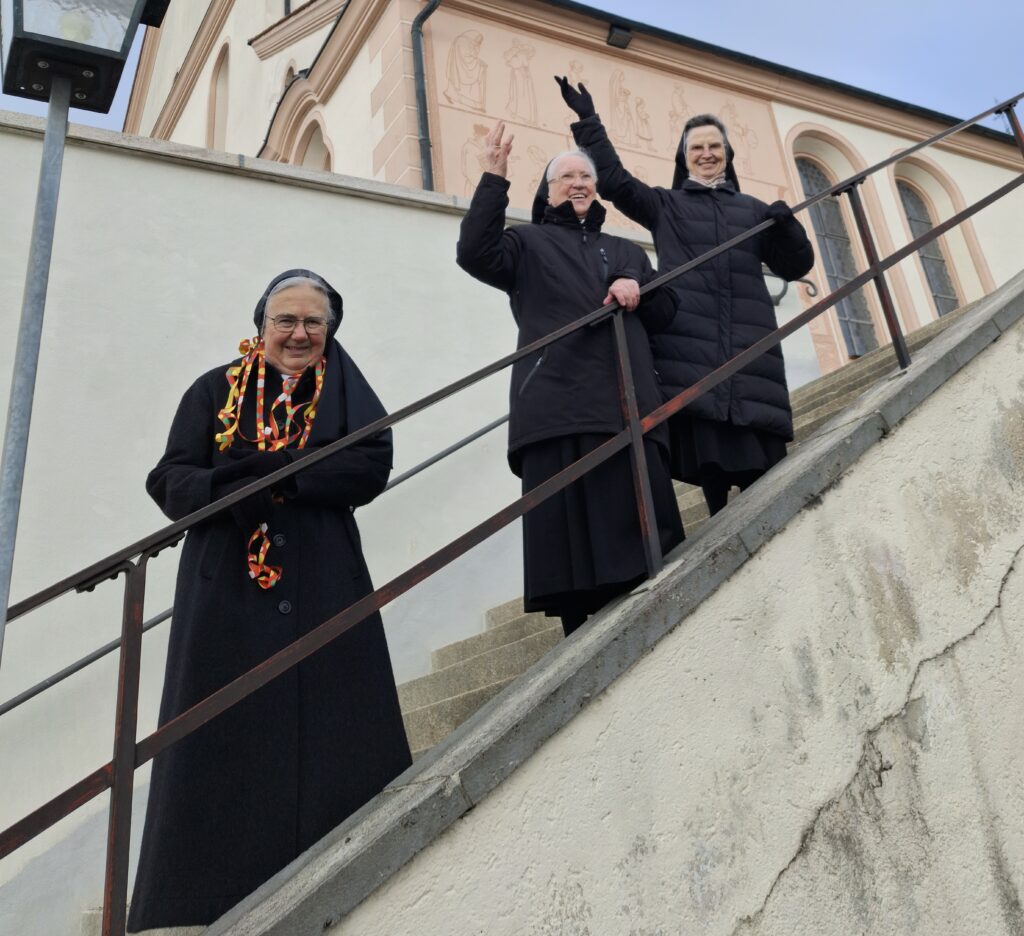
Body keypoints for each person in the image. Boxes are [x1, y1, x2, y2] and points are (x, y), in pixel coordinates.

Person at [127, 270, 412, 933]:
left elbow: (371, 463)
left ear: (330, 331)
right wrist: (231, 487)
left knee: (335, 718)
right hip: (227, 586)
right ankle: (208, 893)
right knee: (225, 727)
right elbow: (169, 477)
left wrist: (286, 477)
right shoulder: (213, 390)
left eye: (313, 322)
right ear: (261, 326)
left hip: (322, 575)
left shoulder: (346, 391)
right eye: (286, 320)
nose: (299, 333)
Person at [456, 122, 684, 636]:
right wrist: (494, 177)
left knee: (643, 538)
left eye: (586, 176)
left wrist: (635, 284)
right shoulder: (525, 242)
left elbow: (667, 308)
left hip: (627, 403)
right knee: (570, 550)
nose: (578, 183)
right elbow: (474, 253)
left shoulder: (625, 250)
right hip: (556, 406)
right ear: (548, 189)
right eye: (566, 177)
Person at [557, 78, 816, 516]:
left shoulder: (754, 211)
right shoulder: (666, 205)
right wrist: (588, 122)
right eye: (697, 147)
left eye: (715, 146)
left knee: (762, 468)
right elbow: (616, 183)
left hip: (751, 352)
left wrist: (788, 227)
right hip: (690, 351)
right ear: (684, 156)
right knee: (709, 461)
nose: (706, 154)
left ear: (727, 154)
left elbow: (796, 266)